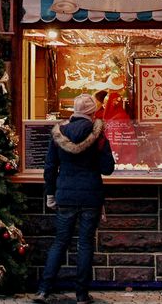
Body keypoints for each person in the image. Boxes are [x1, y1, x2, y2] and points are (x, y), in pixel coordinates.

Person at [35, 94, 115, 304]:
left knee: (60, 242)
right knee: (85, 244)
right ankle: (81, 295)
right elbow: (108, 169)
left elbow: (50, 167)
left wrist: (50, 193)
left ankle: (44, 290)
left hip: (65, 195)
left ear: (74, 110)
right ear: (92, 112)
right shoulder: (98, 134)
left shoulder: (59, 133)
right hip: (91, 195)